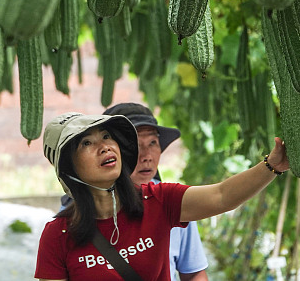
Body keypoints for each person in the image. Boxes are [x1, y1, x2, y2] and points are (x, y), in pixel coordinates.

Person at [35, 111, 300, 281]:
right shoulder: (58, 235)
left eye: (107, 137)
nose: (104, 147)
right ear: (68, 167)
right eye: (87, 142)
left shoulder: (158, 200)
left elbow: (222, 196)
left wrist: (272, 166)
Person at [59, 103, 209, 280]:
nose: (147, 156)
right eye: (136, 145)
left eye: (153, 142)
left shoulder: (172, 202)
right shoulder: (71, 221)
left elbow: (193, 273)